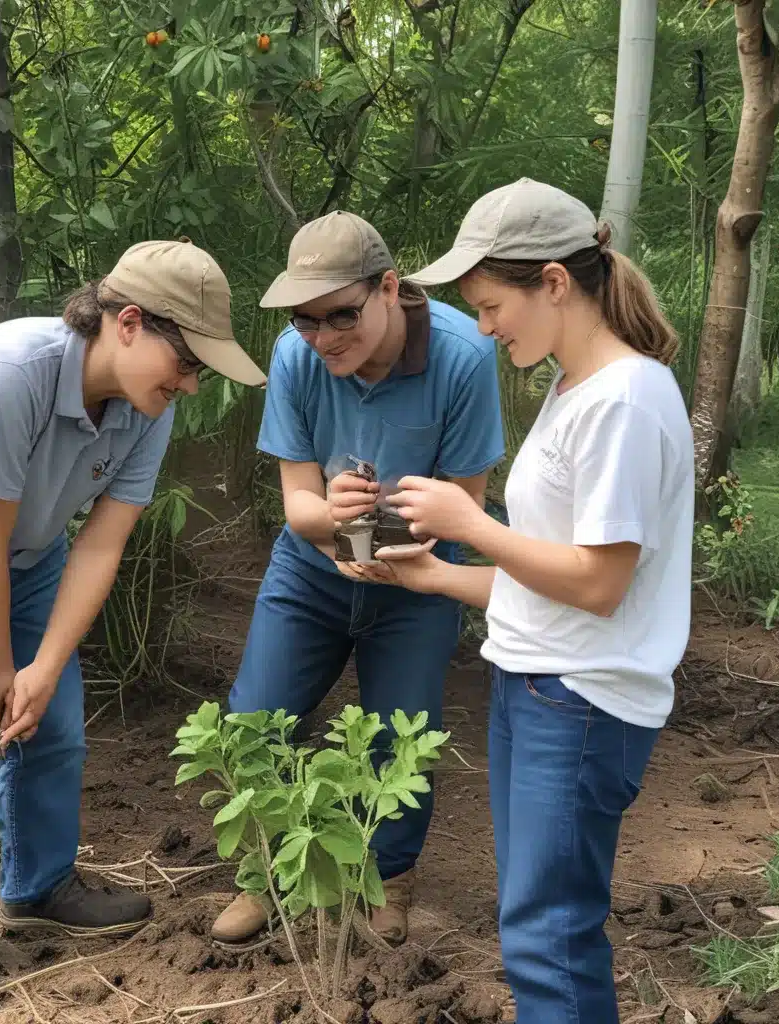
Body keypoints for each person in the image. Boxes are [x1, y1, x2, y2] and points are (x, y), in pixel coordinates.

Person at [0, 238, 266, 1011]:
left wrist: (41, 670)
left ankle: (36, 886)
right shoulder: (17, 371)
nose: (193, 384)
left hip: (28, 561)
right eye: (189, 361)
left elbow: (100, 545)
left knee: (55, 726)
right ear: (129, 322)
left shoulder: (146, 407)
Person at [376, 178, 693, 1023]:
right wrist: (438, 575)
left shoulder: (624, 401)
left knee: (547, 937)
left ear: (554, 282)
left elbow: (598, 584)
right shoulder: (571, 389)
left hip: (583, 701)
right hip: (539, 682)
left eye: (490, 306)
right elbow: (553, 578)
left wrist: (469, 522)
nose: (483, 328)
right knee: (535, 925)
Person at [209, 210, 506, 947]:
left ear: (388, 289)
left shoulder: (463, 358)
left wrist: (406, 545)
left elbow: (467, 507)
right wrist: (330, 519)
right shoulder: (295, 357)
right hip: (312, 573)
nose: (323, 336)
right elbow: (297, 503)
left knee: (403, 737)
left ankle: (388, 879)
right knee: (256, 720)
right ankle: (265, 875)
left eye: (341, 314)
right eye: (305, 320)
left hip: (417, 579)